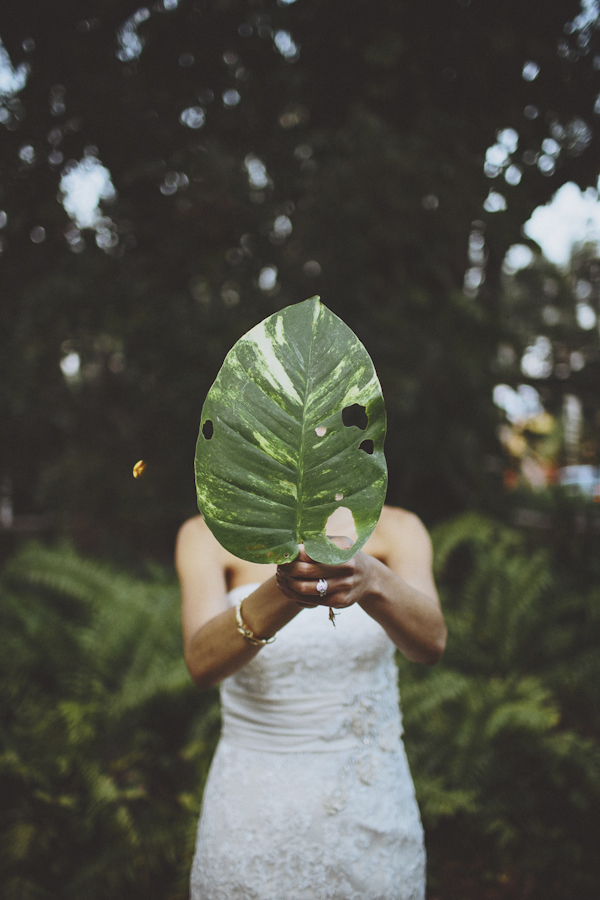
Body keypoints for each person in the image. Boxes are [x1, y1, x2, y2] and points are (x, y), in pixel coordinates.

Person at [176, 504, 446, 900]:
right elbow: (202, 664)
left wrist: (371, 578)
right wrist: (286, 588)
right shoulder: (205, 532)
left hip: (373, 805)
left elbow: (432, 644)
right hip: (254, 809)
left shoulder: (400, 528)